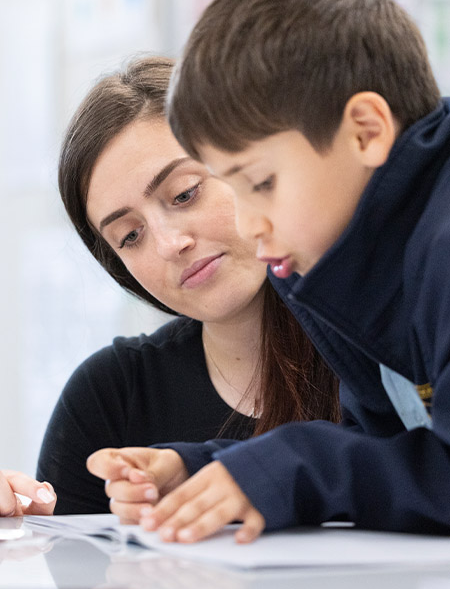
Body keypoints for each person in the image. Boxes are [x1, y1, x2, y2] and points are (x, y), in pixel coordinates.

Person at [105, 0, 450, 545]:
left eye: (260, 182)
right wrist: (208, 470)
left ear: (367, 131)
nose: (249, 223)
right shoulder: (335, 259)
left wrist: (286, 468)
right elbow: (393, 453)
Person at [38, 55, 339, 516]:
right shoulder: (108, 395)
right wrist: (24, 540)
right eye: (130, 237)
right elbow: (74, 581)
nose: (170, 244)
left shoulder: (374, 339)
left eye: (184, 194)